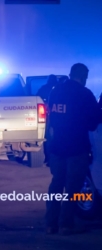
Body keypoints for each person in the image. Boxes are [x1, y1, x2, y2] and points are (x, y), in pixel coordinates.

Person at [45, 63, 102, 235]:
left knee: (56, 185)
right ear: (83, 76)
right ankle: (66, 224)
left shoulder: (55, 91)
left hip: (57, 147)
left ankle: (50, 224)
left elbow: (52, 118)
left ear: (70, 74)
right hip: (76, 148)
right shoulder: (84, 94)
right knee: (73, 188)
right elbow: (93, 124)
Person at [36, 75, 58, 166]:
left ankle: (49, 158)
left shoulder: (43, 89)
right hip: (56, 117)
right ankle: (52, 158)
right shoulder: (59, 89)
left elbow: (37, 99)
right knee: (52, 137)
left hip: (49, 116)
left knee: (48, 137)